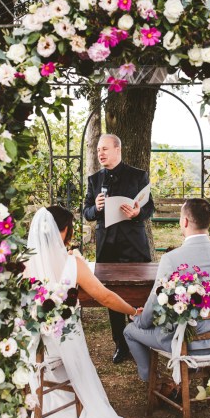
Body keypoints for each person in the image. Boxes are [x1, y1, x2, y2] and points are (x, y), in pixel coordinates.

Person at [26, 206, 165, 418]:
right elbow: (103, 296)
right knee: (100, 411)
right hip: (67, 345)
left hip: (38, 350)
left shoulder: (25, 265)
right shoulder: (72, 263)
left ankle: (50, 403)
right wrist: (132, 310)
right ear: (63, 231)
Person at [124, 198, 210, 384]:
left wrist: (140, 321)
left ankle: (155, 381)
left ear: (185, 221)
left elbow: (155, 301)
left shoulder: (172, 259)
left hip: (185, 341)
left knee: (130, 330)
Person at [83, 134, 155, 364]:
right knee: (111, 294)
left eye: (104, 149)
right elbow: (85, 213)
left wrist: (137, 213)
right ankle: (120, 344)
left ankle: (141, 340)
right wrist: (95, 207)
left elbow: (149, 207)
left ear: (117, 149)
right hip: (107, 247)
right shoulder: (94, 180)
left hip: (134, 244)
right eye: (97, 150)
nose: (100, 153)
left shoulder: (137, 175)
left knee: (140, 294)